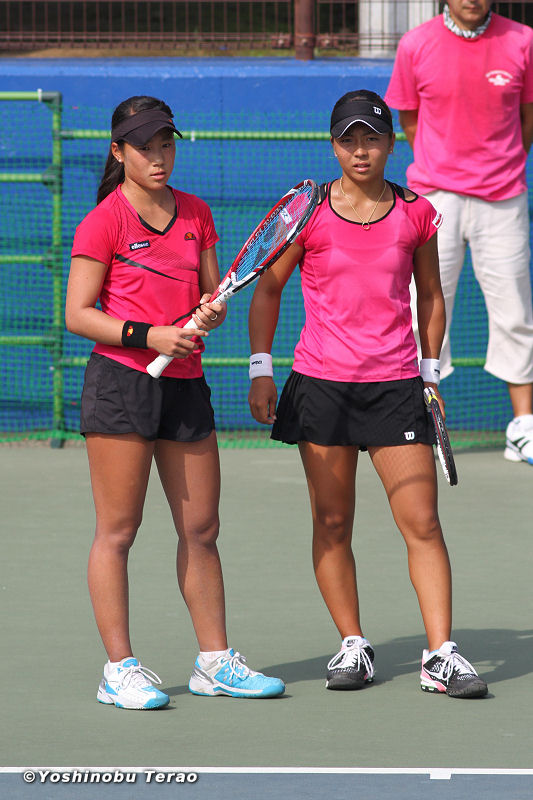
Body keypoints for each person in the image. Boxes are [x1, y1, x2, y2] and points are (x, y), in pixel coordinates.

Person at [248, 90, 488, 699]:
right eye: (349, 140)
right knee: (332, 522)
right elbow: (269, 290)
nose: (361, 150)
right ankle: (353, 643)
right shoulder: (309, 215)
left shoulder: (416, 213)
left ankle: (441, 654)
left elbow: (430, 294)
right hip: (322, 386)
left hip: (396, 388)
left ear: (391, 143)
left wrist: (430, 373)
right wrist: (260, 369)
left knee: (423, 522)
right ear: (334, 146)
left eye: (373, 138)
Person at [65, 95, 285, 709]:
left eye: (166, 144)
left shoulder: (196, 213)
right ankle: (119, 670)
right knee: (119, 530)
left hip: (185, 383)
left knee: (202, 528)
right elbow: (78, 313)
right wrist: (149, 335)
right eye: (144, 147)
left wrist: (209, 312)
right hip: (122, 384)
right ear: (119, 152)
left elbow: (211, 295)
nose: (159, 157)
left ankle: (214, 662)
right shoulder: (103, 222)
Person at [385, 1, 533, 466]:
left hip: (503, 199)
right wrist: (442, 171)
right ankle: (423, 417)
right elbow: (409, 119)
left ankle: (523, 426)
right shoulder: (416, 44)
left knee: (515, 309)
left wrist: (502, 166)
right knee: (422, 308)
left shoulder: (523, 41)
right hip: (435, 198)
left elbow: (528, 117)